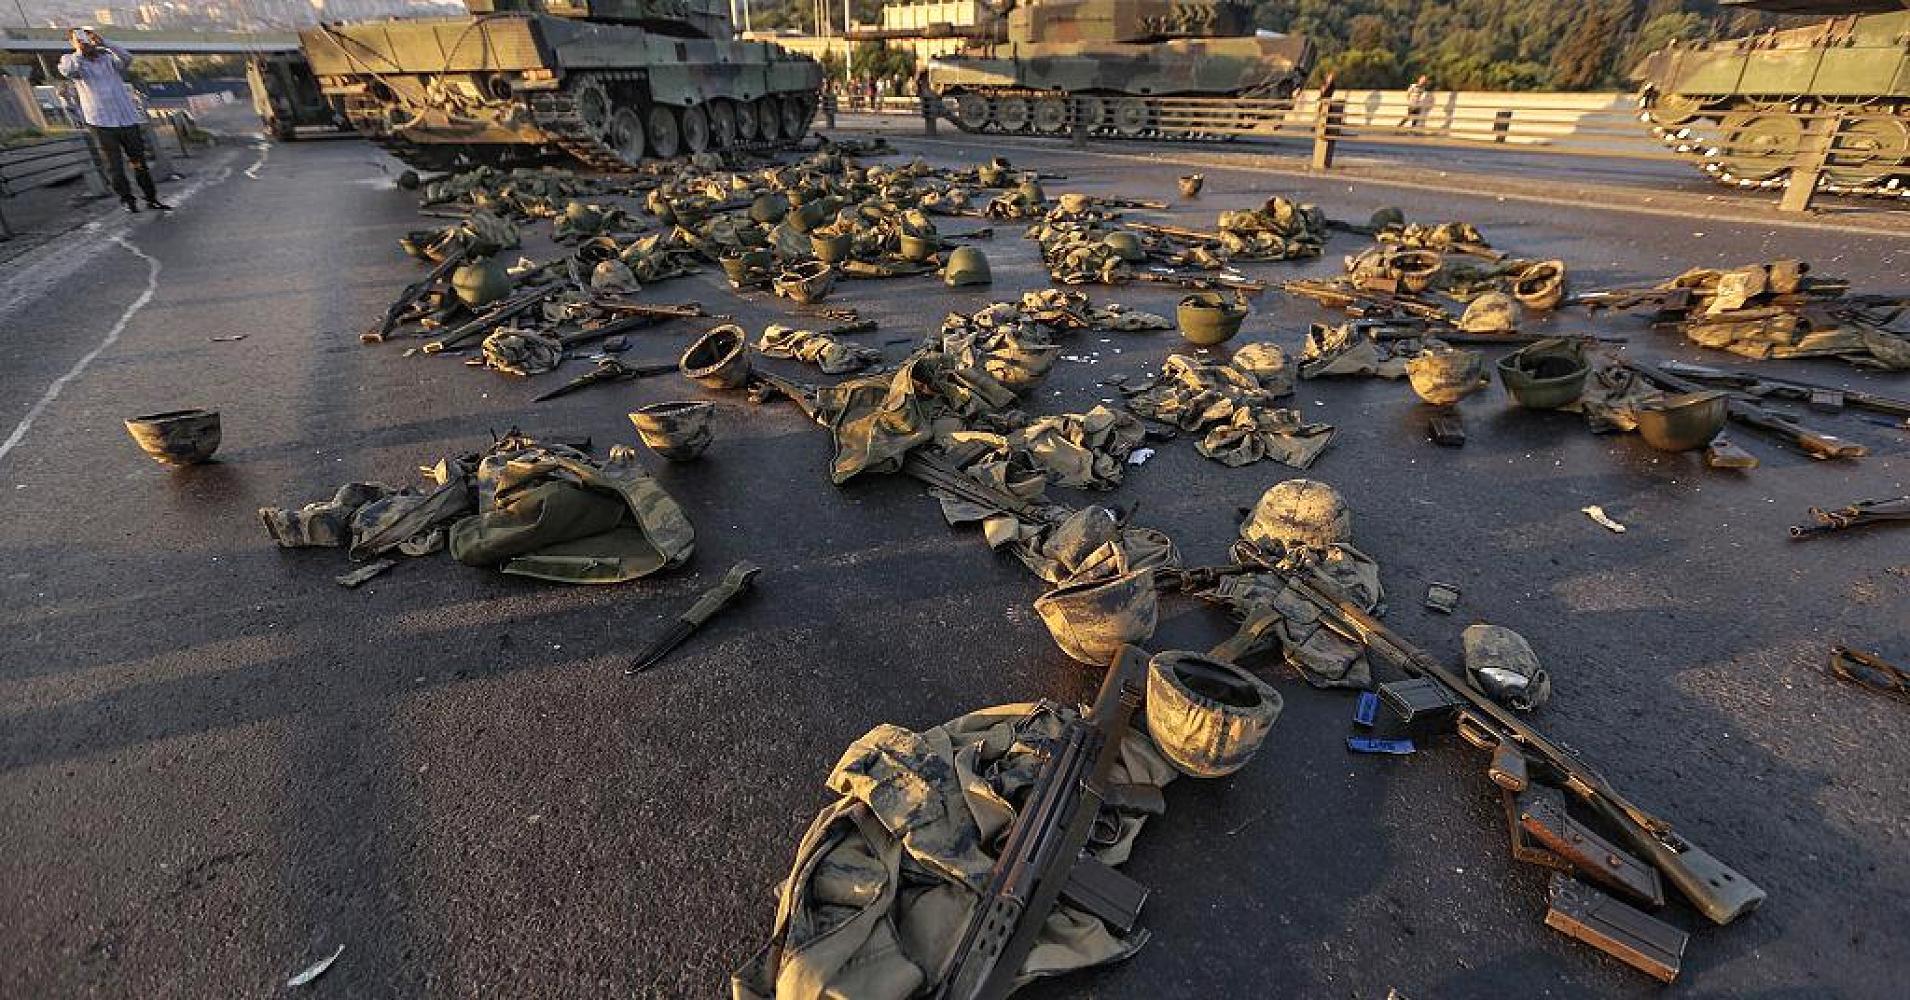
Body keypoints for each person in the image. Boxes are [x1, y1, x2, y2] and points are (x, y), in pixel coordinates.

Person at [58, 26, 170, 213]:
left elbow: (127, 58)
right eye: (80, 39)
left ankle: (151, 198)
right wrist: (79, 50)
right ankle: (127, 200)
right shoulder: (71, 61)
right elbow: (68, 71)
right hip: (102, 123)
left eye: (87, 38)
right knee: (115, 166)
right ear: (73, 42)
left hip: (127, 120)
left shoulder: (108, 59)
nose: (86, 42)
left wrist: (105, 43)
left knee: (138, 162)